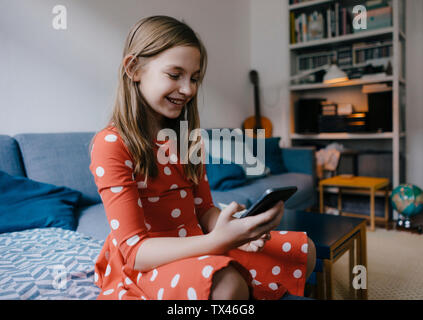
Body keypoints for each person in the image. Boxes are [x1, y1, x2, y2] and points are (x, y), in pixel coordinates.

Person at [89, 15, 316, 300]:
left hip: (199, 243)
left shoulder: (187, 139)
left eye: (194, 78)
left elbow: (205, 211)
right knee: (228, 284)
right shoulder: (110, 144)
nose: (188, 89)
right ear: (134, 68)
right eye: (175, 75)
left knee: (303, 251)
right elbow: (135, 252)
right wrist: (215, 242)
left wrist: (241, 229)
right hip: (147, 265)